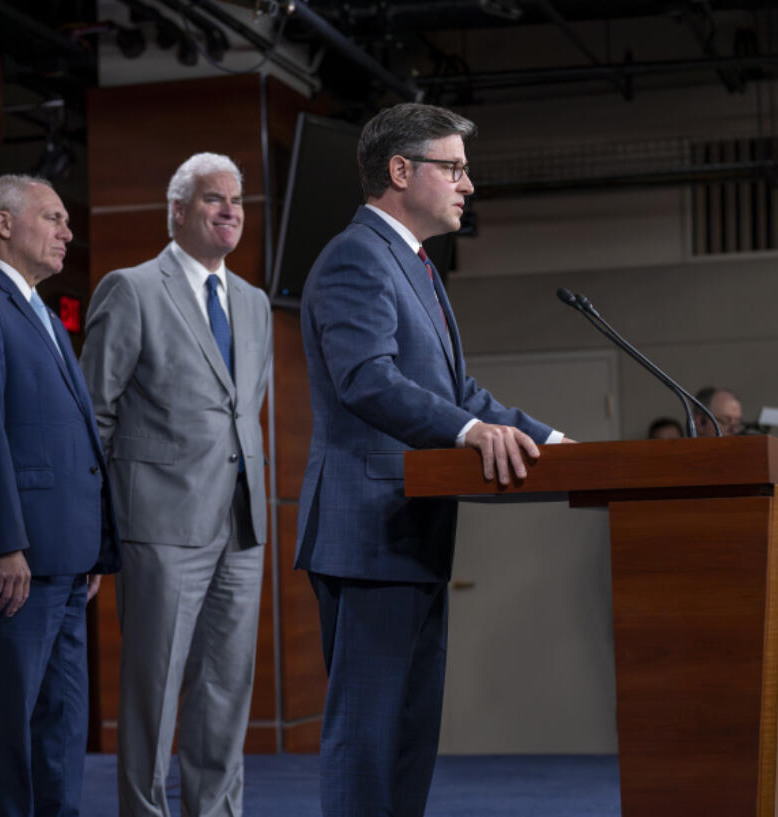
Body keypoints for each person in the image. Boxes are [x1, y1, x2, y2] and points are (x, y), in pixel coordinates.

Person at [295, 102, 572, 816]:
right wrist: (465, 433)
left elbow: (462, 394)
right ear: (400, 171)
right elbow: (368, 378)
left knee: (409, 734)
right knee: (368, 733)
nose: (467, 184)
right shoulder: (356, 256)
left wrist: (560, 445)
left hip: (413, 529)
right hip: (367, 530)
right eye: (453, 168)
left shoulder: (416, 266)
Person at [80, 152, 272, 817]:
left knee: (226, 690)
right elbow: (94, 415)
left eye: (238, 201)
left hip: (242, 529)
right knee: (153, 695)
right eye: (214, 199)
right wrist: (94, 533)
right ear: (177, 211)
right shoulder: (131, 288)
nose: (230, 210)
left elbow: (244, 412)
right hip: (159, 528)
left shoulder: (253, 302)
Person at [0, 175, 120, 816]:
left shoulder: (42, 307)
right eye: (55, 217)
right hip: (15, 562)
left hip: (66, 559)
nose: (69, 232)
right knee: (10, 730)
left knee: (62, 727)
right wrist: (3, 543)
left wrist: (94, 543)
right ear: (5, 224)